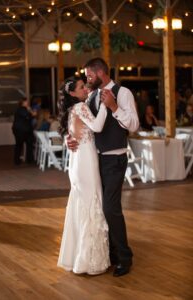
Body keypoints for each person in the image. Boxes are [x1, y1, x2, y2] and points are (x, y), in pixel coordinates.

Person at [67, 57, 139, 277]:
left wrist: (114, 106)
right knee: (99, 206)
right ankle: (110, 252)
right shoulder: (91, 96)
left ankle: (124, 257)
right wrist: (70, 139)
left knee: (110, 208)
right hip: (93, 161)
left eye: (89, 75)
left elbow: (134, 125)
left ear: (100, 73)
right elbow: (82, 125)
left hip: (115, 159)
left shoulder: (123, 92)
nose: (87, 79)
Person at [57, 76, 110, 275]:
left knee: (84, 204)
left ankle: (80, 257)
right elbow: (97, 127)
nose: (85, 89)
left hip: (79, 161)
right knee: (92, 203)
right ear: (72, 93)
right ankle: (89, 261)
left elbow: (75, 133)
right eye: (81, 87)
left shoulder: (73, 109)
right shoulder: (80, 107)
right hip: (86, 161)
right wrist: (106, 106)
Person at [12, 97, 35, 165]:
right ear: (23, 102)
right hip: (21, 130)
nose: (28, 103)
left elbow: (30, 117)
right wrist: (30, 110)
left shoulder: (21, 109)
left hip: (22, 130)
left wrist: (31, 113)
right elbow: (30, 116)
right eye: (26, 101)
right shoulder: (22, 109)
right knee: (20, 145)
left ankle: (27, 160)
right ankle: (19, 161)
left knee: (26, 144)